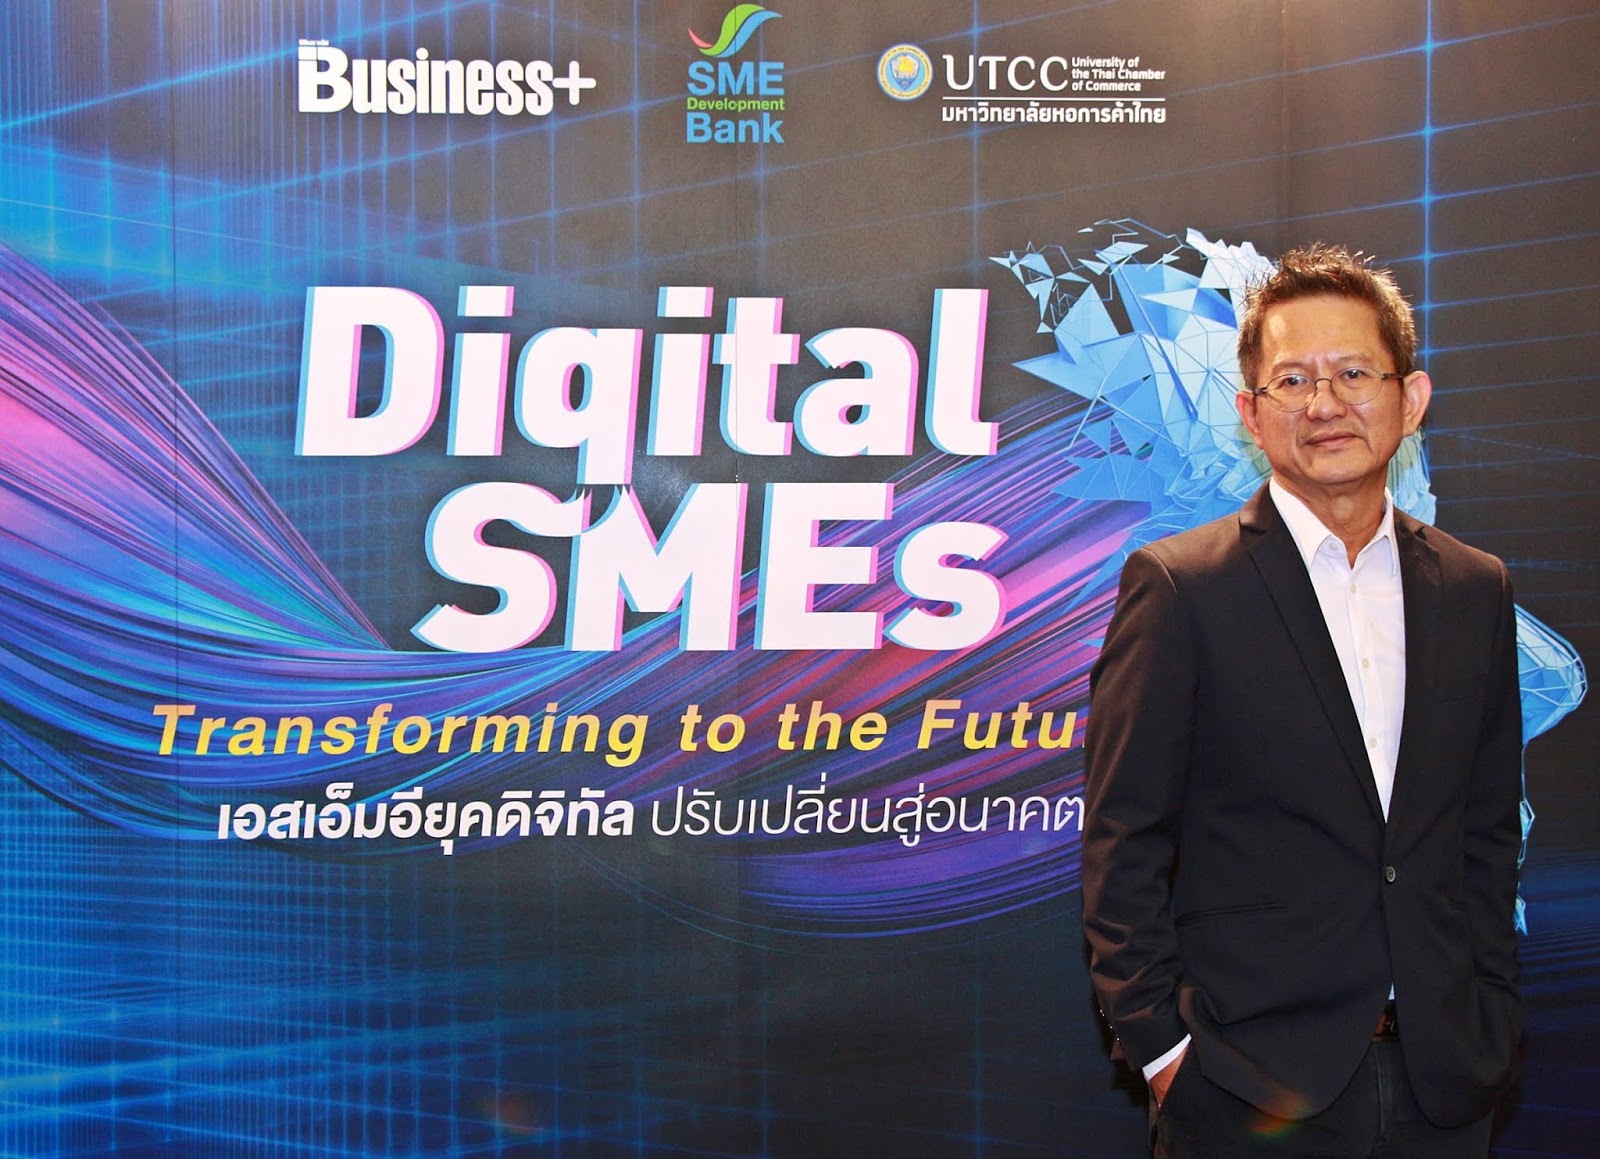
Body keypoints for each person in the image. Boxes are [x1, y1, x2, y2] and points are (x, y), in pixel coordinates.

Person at [1080, 243, 1523, 1157]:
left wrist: (1492, 1010)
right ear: (1250, 412)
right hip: (1245, 1087)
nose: (1325, 404)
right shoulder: (1180, 586)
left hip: (1445, 1082)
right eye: (1292, 381)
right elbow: (1124, 839)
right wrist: (1164, 1052)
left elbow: (1484, 830)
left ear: (1411, 398)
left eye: (1354, 373)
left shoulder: (1475, 587)